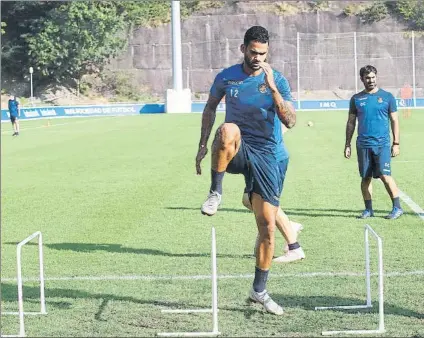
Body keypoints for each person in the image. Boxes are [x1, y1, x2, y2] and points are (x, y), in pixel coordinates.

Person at [195, 26, 297, 315]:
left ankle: (259, 290)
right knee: (227, 129)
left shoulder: (276, 79)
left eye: (262, 53)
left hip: (268, 156)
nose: (257, 58)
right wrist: (203, 145)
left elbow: (290, 121)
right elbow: (210, 108)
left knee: (267, 227)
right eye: (253, 52)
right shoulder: (227, 77)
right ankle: (216, 192)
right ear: (243, 49)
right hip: (239, 148)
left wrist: (273, 88)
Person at [344, 65, 403, 220]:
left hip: (382, 144)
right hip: (363, 144)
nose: (371, 80)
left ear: (376, 77)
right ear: (362, 79)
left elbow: (394, 120)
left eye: (373, 77)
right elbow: (351, 122)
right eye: (367, 78)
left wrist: (396, 143)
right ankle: (369, 209)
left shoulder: (387, 97)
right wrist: (347, 144)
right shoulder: (356, 99)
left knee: (385, 175)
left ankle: (397, 207)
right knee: (365, 178)